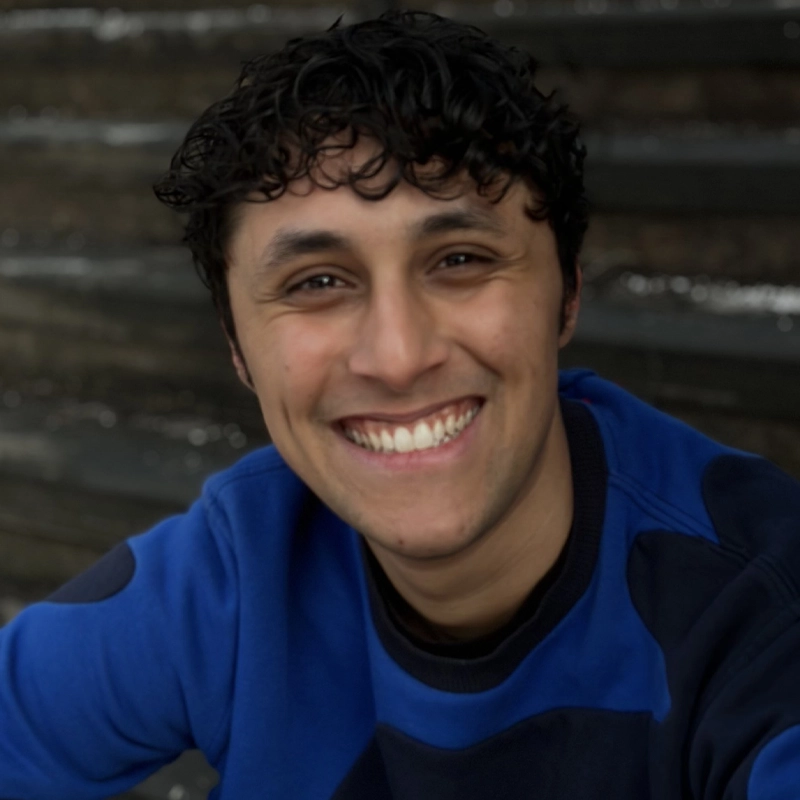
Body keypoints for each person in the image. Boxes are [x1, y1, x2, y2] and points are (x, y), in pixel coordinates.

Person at [2, 10, 800, 799]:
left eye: (460, 259)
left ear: (567, 296)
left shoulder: (756, 610)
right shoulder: (237, 572)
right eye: (317, 282)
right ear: (238, 348)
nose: (397, 355)